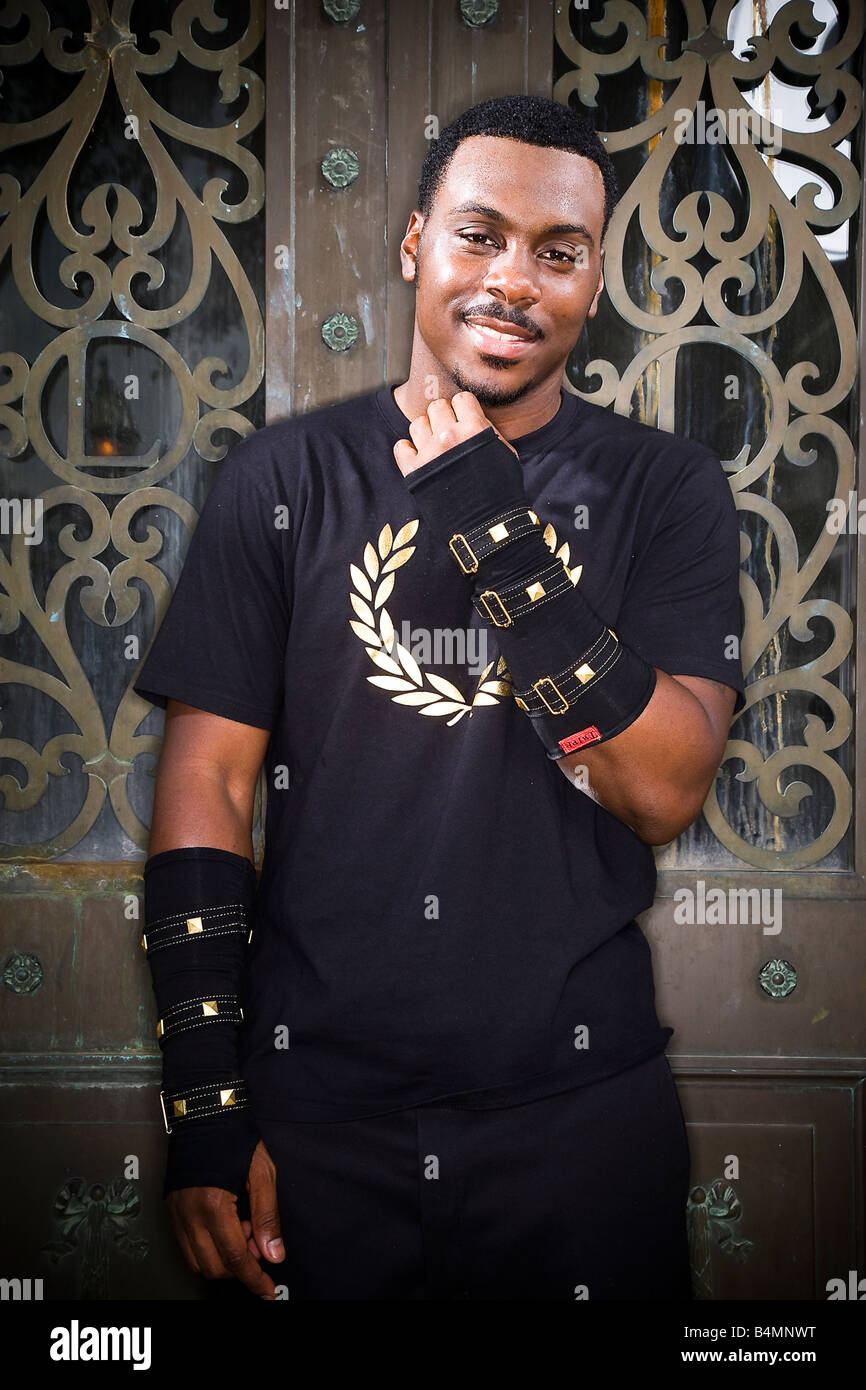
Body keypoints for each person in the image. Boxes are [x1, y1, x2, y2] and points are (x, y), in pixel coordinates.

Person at [133, 94, 744, 1301]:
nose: (512, 280)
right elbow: (207, 783)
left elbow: (662, 788)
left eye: (556, 252)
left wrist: (492, 524)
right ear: (414, 243)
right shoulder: (281, 478)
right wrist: (206, 1101)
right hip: (315, 1118)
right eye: (478, 234)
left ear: (593, 275)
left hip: (576, 1118)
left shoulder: (665, 490)